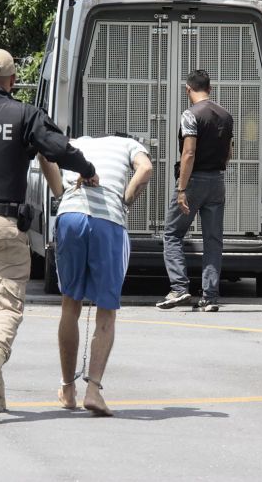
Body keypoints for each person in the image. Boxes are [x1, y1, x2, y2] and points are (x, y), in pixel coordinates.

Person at [0, 48, 98, 422]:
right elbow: (56, 148)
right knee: (8, 306)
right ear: (13, 81)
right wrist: (87, 169)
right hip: (4, 223)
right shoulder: (25, 114)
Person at [42, 135, 152, 416]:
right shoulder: (130, 145)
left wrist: (59, 192)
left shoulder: (75, 142)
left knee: (70, 303)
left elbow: (45, 156)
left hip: (70, 215)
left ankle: (67, 389)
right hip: (108, 221)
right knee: (106, 310)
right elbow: (146, 168)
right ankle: (93, 390)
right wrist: (126, 199)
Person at [156, 69, 234, 312]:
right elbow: (229, 153)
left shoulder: (190, 115)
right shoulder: (226, 115)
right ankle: (210, 297)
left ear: (187, 89)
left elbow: (188, 153)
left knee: (172, 234)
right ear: (209, 89)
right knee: (213, 241)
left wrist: (182, 188)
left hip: (194, 181)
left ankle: (179, 288)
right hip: (217, 182)